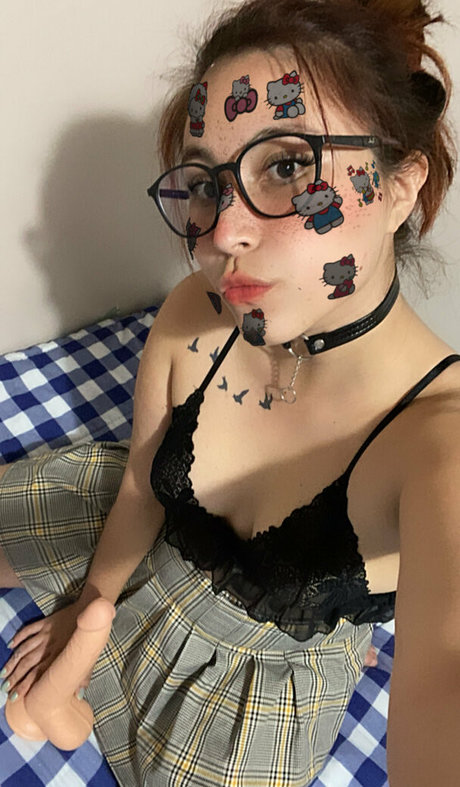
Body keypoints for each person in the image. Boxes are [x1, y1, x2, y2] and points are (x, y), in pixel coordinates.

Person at [1, 0, 459, 783]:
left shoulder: (437, 439)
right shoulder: (196, 315)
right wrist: (86, 612)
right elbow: (142, 487)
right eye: (208, 184)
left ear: (399, 185)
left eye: (285, 166)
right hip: (146, 549)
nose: (221, 235)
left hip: (245, 697)